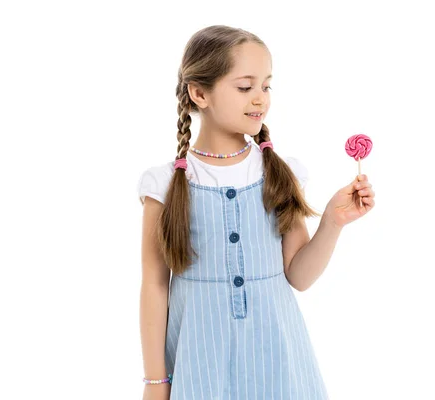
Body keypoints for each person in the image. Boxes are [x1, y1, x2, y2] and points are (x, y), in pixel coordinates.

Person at [137, 25, 376, 400]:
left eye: (266, 86)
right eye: (245, 87)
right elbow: (154, 286)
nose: (260, 99)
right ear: (200, 93)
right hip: (202, 367)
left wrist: (332, 221)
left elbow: (298, 276)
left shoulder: (280, 174)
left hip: (279, 364)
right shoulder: (163, 185)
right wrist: (156, 382)